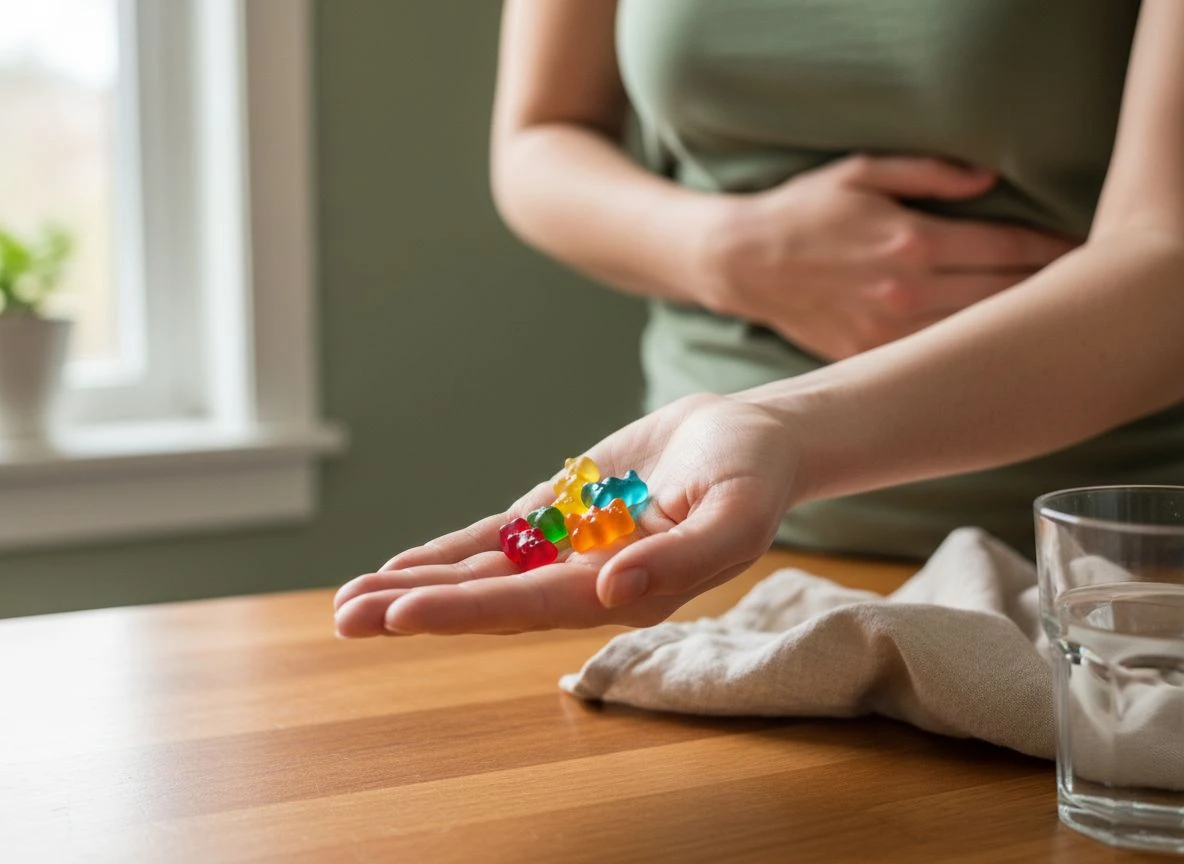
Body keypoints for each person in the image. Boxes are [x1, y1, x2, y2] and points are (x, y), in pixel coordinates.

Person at [335, 0, 1184, 637]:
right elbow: (537, 138)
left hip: (1107, 579)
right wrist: (731, 250)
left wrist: (778, 427)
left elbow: (1167, 254)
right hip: (700, 567)